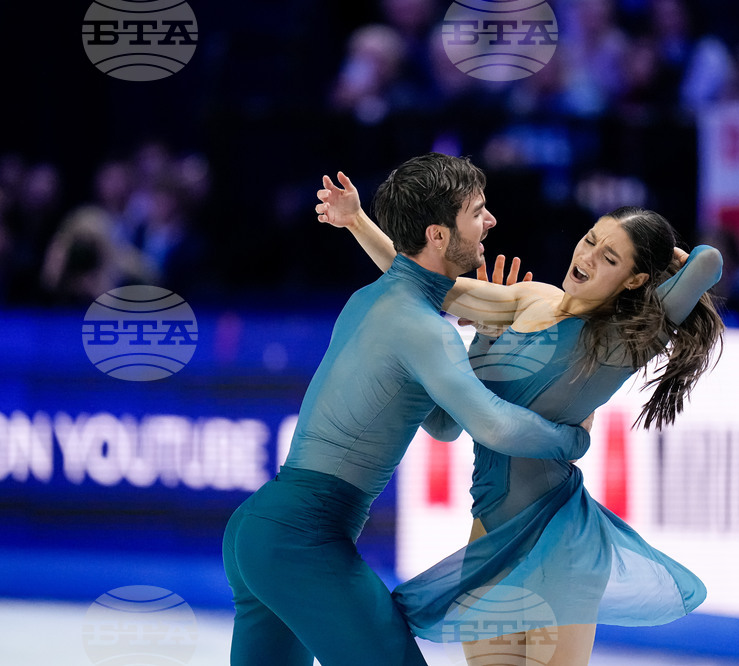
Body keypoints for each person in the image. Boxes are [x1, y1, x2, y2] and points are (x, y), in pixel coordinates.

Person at [317, 170, 725, 664]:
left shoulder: (623, 340)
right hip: (488, 536)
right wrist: (357, 220)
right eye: (591, 239)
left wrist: (672, 264)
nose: (588, 256)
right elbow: (423, 284)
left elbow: (709, 263)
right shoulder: (535, 299)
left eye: (610, 258)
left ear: (636, 279)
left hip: (558, 541)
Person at [223, 153, 593, 666]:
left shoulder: (369, 300)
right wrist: (571, 439)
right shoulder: (424, 327)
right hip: (302, 539)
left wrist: (484, 340)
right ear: (438, 235)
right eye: (477, 212)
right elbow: (488, 423)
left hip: (261, 530)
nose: (490, 221)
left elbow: (441, 424)